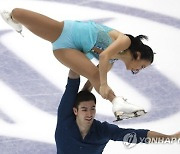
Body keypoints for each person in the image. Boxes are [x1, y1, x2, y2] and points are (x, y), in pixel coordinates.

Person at [0, 8, 154, 120]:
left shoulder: (111, 62)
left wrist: (81, 98)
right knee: (17, 13)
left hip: (64, 50)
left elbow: (93, 80)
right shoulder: (124, 41)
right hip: (64, 31)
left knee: (94, 74)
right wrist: (104, 83)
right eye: (142, 66)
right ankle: (13, 21)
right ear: (138, 55)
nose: (138, 70)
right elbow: (104, 55)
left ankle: (117, 102)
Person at [55, 69, 180, 154]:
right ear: (75, 111)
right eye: (84, 109)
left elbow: (138, 135)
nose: (89, 114)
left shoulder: (103, 131)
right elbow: (73, 81)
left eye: (93, 108)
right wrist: (79, 57)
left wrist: (169, 138)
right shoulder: (65, 117)